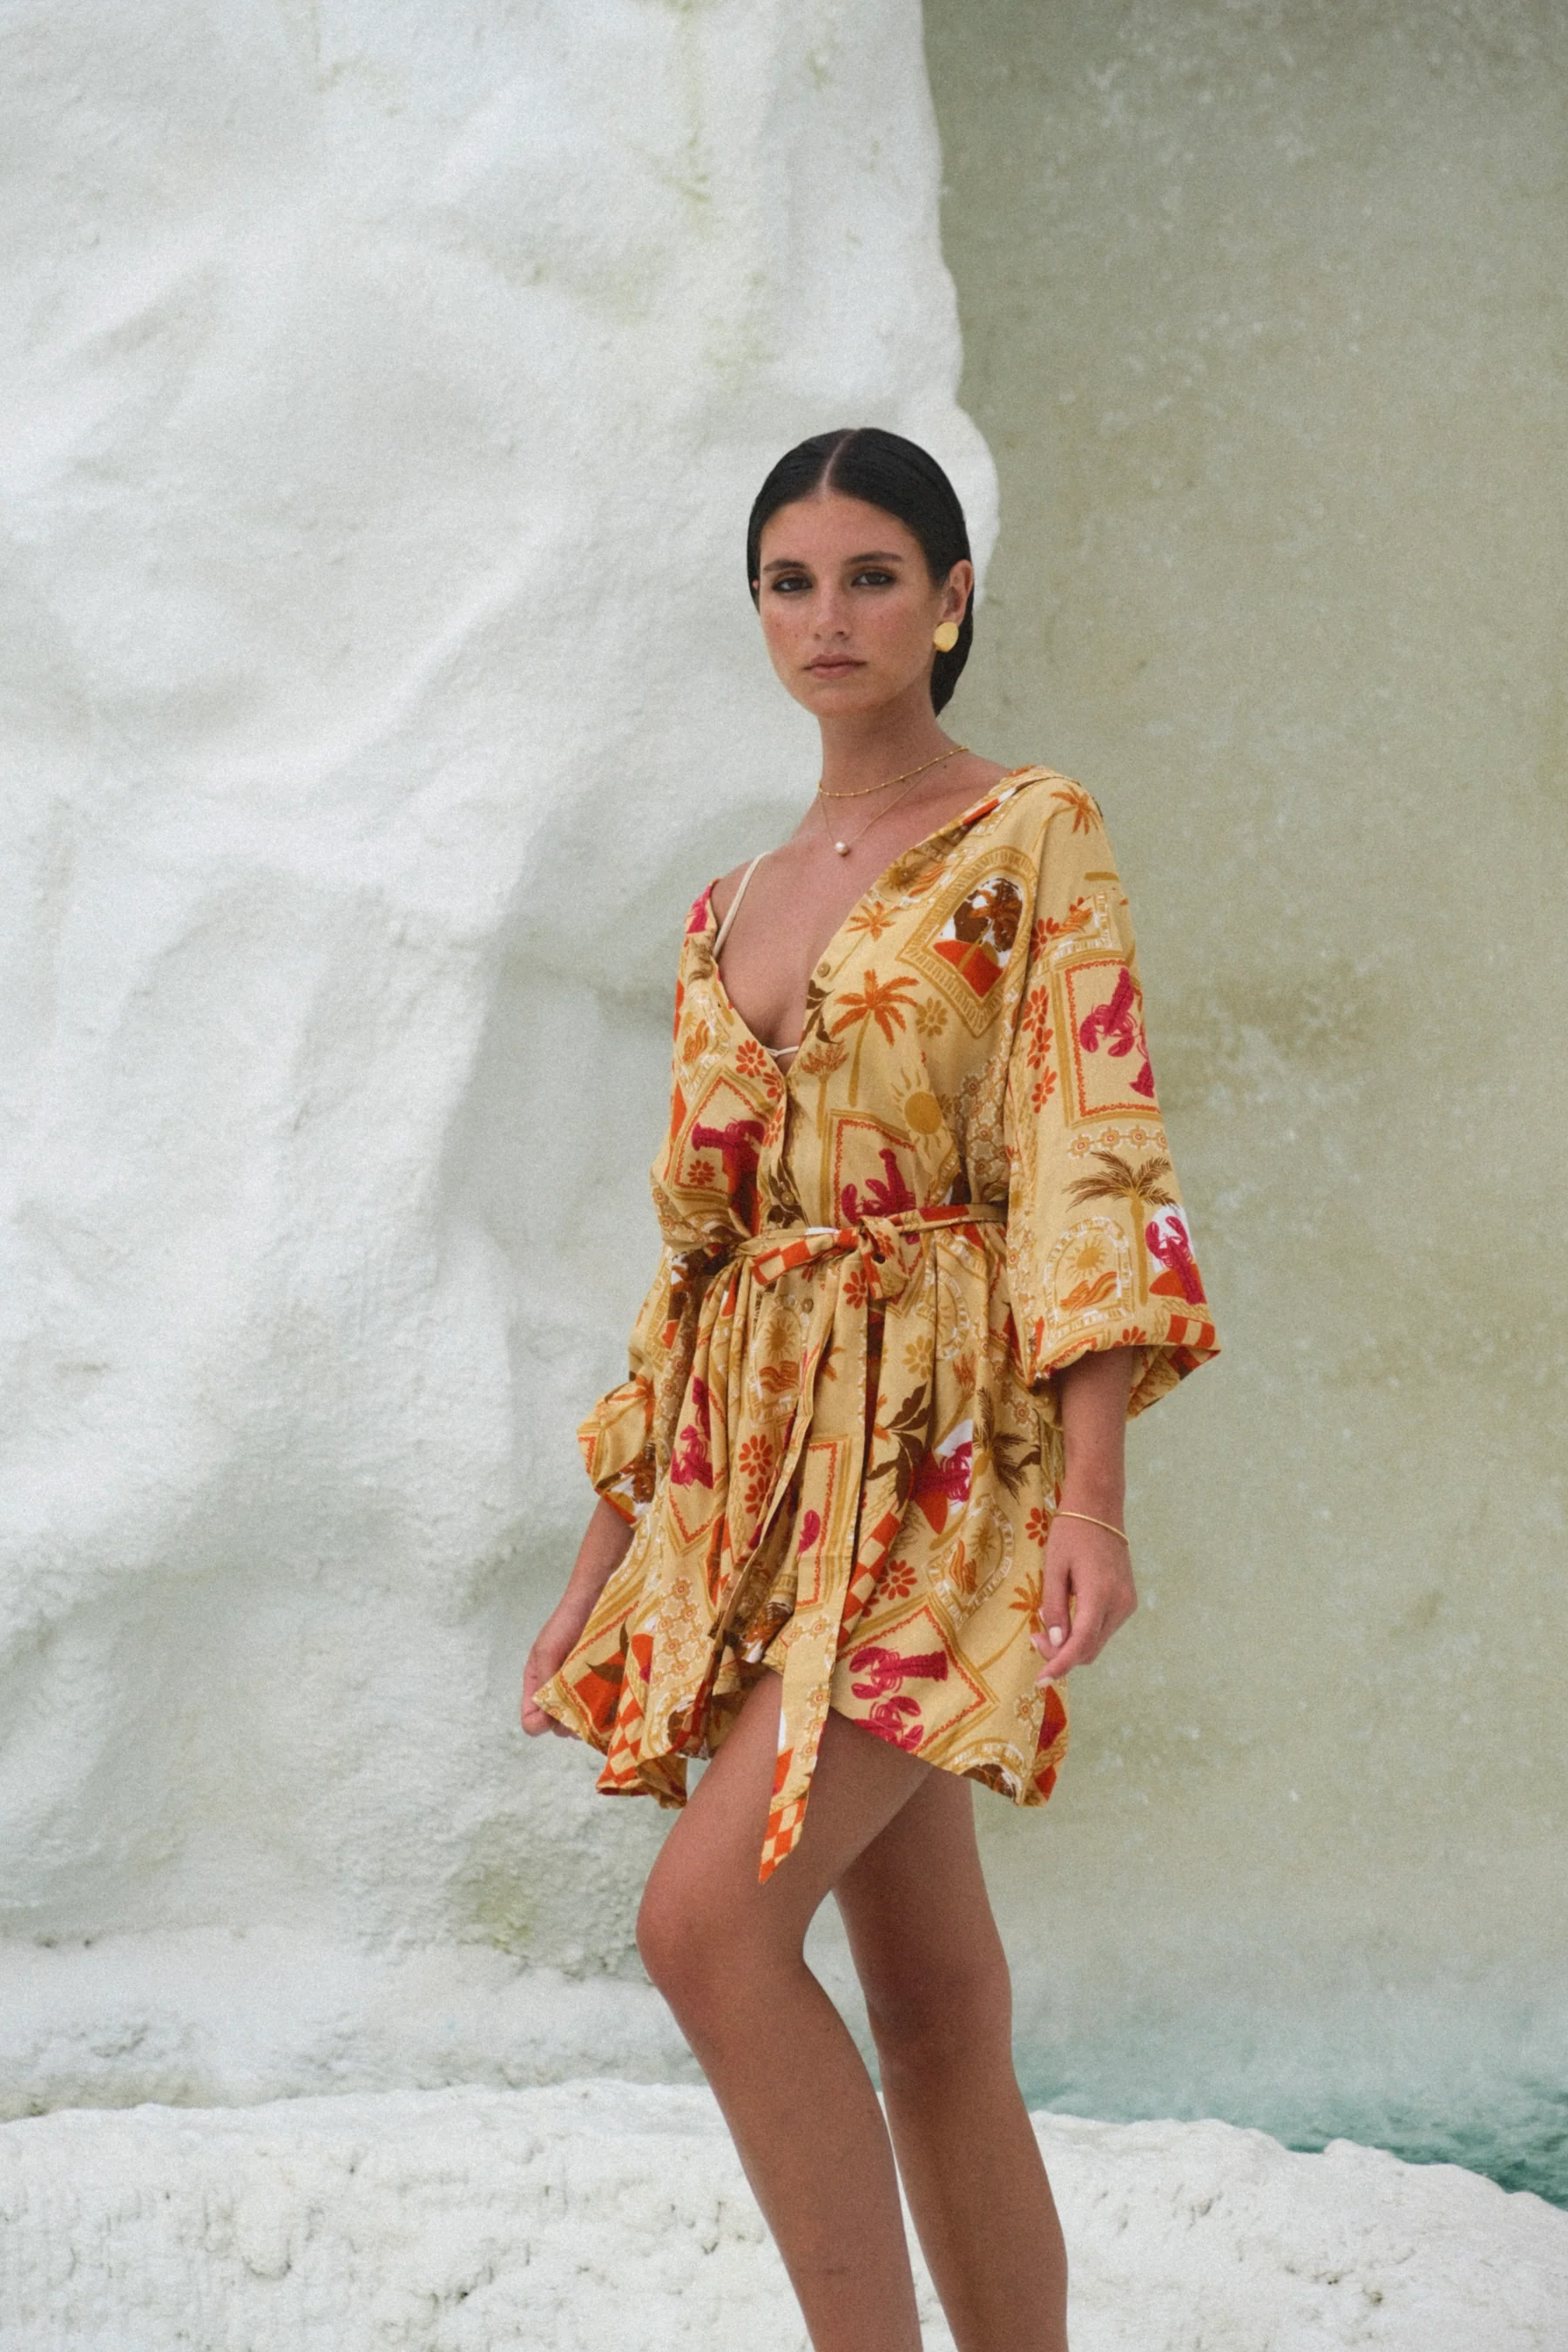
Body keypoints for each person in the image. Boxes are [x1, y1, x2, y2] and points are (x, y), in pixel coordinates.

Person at [524, 426, 1218, 2352]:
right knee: (932, 2000)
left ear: (952, 599)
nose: (828, 616)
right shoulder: (725, 903)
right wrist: (599, 1562)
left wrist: (1092, 1501)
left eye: (872, 577)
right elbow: (696, 1264)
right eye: (791, 582)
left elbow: (1089, 1153)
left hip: (947, 1469)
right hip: (766, 1489)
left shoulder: (1030, 832)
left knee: (705, 1923)